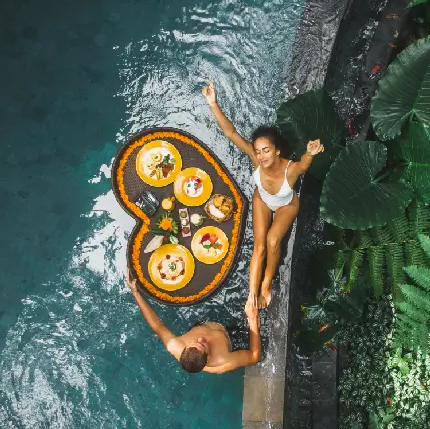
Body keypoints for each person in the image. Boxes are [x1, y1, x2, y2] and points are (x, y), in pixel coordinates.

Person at [201, 80, 324, 310]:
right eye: (257, 151)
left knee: (273, 240)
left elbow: (304, 165)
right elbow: (230, 132)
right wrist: (213, 103)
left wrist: (310, 152)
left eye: (266, 150)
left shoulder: (290, 169)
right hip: (262, 200)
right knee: (259, 247)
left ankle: (266, 285)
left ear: (277, 150)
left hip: (286, 205)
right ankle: (251, 295)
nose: (261, 156)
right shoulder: (255, 159)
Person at [126, 269, 261, 373]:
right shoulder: (223, 361)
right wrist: (253, 319)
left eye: (195, 342)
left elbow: (157, 325)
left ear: (186, 347)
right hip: (232, 336)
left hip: (211, 319)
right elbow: (255, 357)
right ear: (208, 357)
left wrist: (135, 293)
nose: (201, 339)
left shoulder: (175, 345)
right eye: (203, 345)